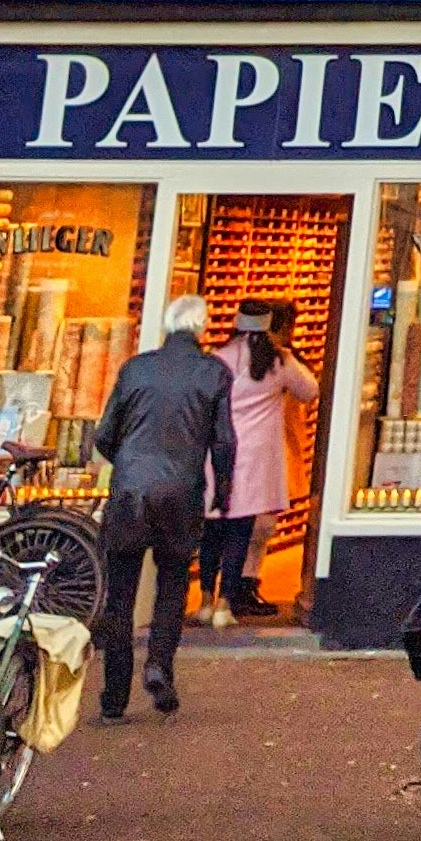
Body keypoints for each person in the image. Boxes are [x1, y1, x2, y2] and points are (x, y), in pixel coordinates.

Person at [90, 293, 235, 718]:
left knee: (120, 593)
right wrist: (222, 489)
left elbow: (104, 435)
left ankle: (114, 697)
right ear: (201, 328)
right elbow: (224, 441)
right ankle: (159, 666)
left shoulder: (135, 368)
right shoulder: (213, 373)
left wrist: (129, 468)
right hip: (180, 493)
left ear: (167, 326)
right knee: (173, 585)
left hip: (130, 494)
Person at [202, 297, 318, 621]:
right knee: (244, 527)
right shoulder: (279, 362)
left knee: (214, 527)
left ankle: (206, 599)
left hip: (219, 451)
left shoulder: (218, 359)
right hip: (257, 458)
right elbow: (309, 391)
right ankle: (230, 600)